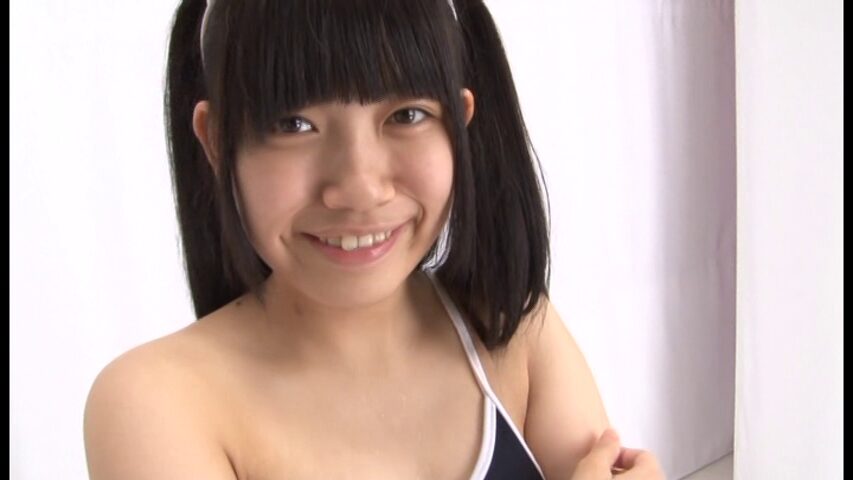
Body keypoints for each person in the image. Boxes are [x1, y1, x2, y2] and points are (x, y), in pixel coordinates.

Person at [83, 0, 663, 478]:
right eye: (294, 124)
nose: (360, 188)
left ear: (459, 123)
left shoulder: (513, 331)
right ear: (215, 142)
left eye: (407, 115)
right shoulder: (156, 403)